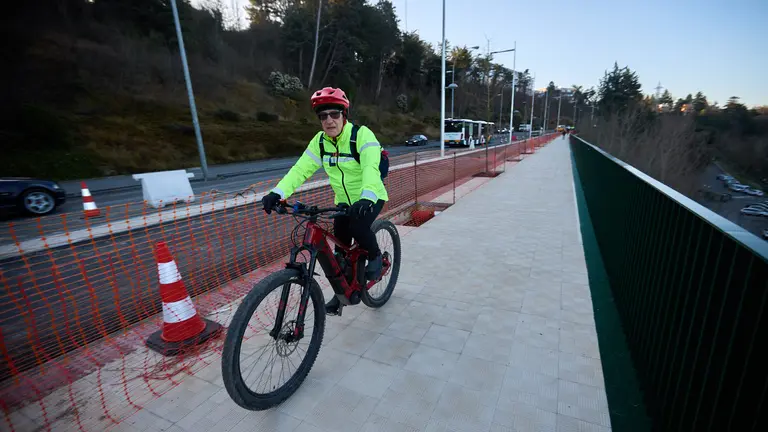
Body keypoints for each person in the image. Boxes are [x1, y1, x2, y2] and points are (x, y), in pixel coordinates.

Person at [261, 87, 389, 315]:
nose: (329, 121)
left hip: (371, 196)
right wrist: (278, 193)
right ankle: (342, 295)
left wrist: (367, 196)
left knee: (359, 226)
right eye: (323, 116)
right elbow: (300, 170)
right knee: (340, 252)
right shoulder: (320, 142)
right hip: (343, 201)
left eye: (334, 114)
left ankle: (376, 256)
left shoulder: (362, 135)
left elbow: (370, 168)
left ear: (344, 115)